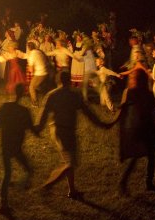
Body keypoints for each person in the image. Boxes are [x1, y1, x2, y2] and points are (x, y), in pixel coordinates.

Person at [34, 71, 110, 199]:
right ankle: (47, 185)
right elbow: (88, 113)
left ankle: (72, 191)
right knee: (70, 163)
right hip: (66, 131)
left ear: (58, 81)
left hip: (57, 130)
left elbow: (43, 116)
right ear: (69, 81)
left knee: (69, 160)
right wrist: (102, 124)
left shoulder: (51, 95)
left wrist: (37, 129)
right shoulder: (74, 95)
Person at [0, 83, 35, 215]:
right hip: (16, 147)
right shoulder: (24, 111)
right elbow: (33, 129)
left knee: (8, 173)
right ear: (23, 93)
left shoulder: (5, 107)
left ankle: (5, 203)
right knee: (28, 170)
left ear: (14, 92)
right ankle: (17, 188)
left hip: (6, 145)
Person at [107, 68, 155, 195]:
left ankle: (124, 182)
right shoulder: (148, 93)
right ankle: (148, 182)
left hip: (135, 127)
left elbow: (122, 109)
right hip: (146, 127)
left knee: (136, 157)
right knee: (151, 156)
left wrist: (113, 122)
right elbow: (154, 112)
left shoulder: (128, 92)